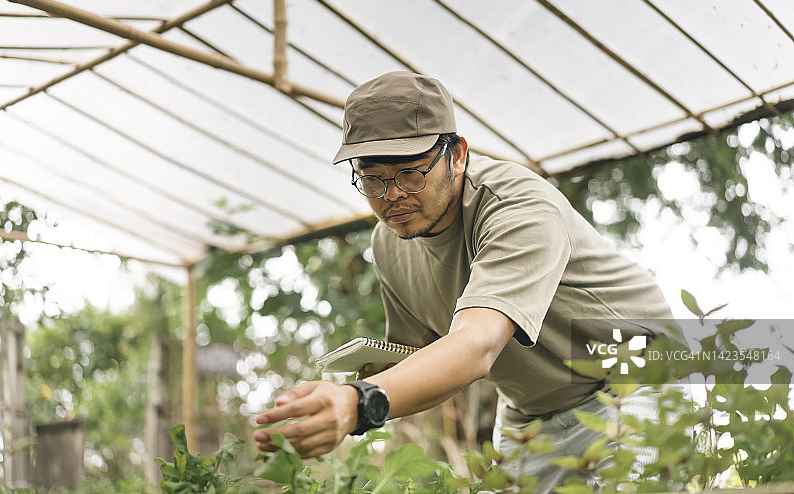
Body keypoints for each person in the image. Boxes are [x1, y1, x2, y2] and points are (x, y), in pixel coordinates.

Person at [254, 71, 682, 491]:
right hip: (532, 410)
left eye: (410, 172)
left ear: (457, 155)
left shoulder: (517, 206)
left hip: (636, 377)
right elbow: (422, 362)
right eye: (371, 178)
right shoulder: (389, 243)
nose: (392, 195)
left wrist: (357, 403)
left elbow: (476, 346)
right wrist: (329, 402)